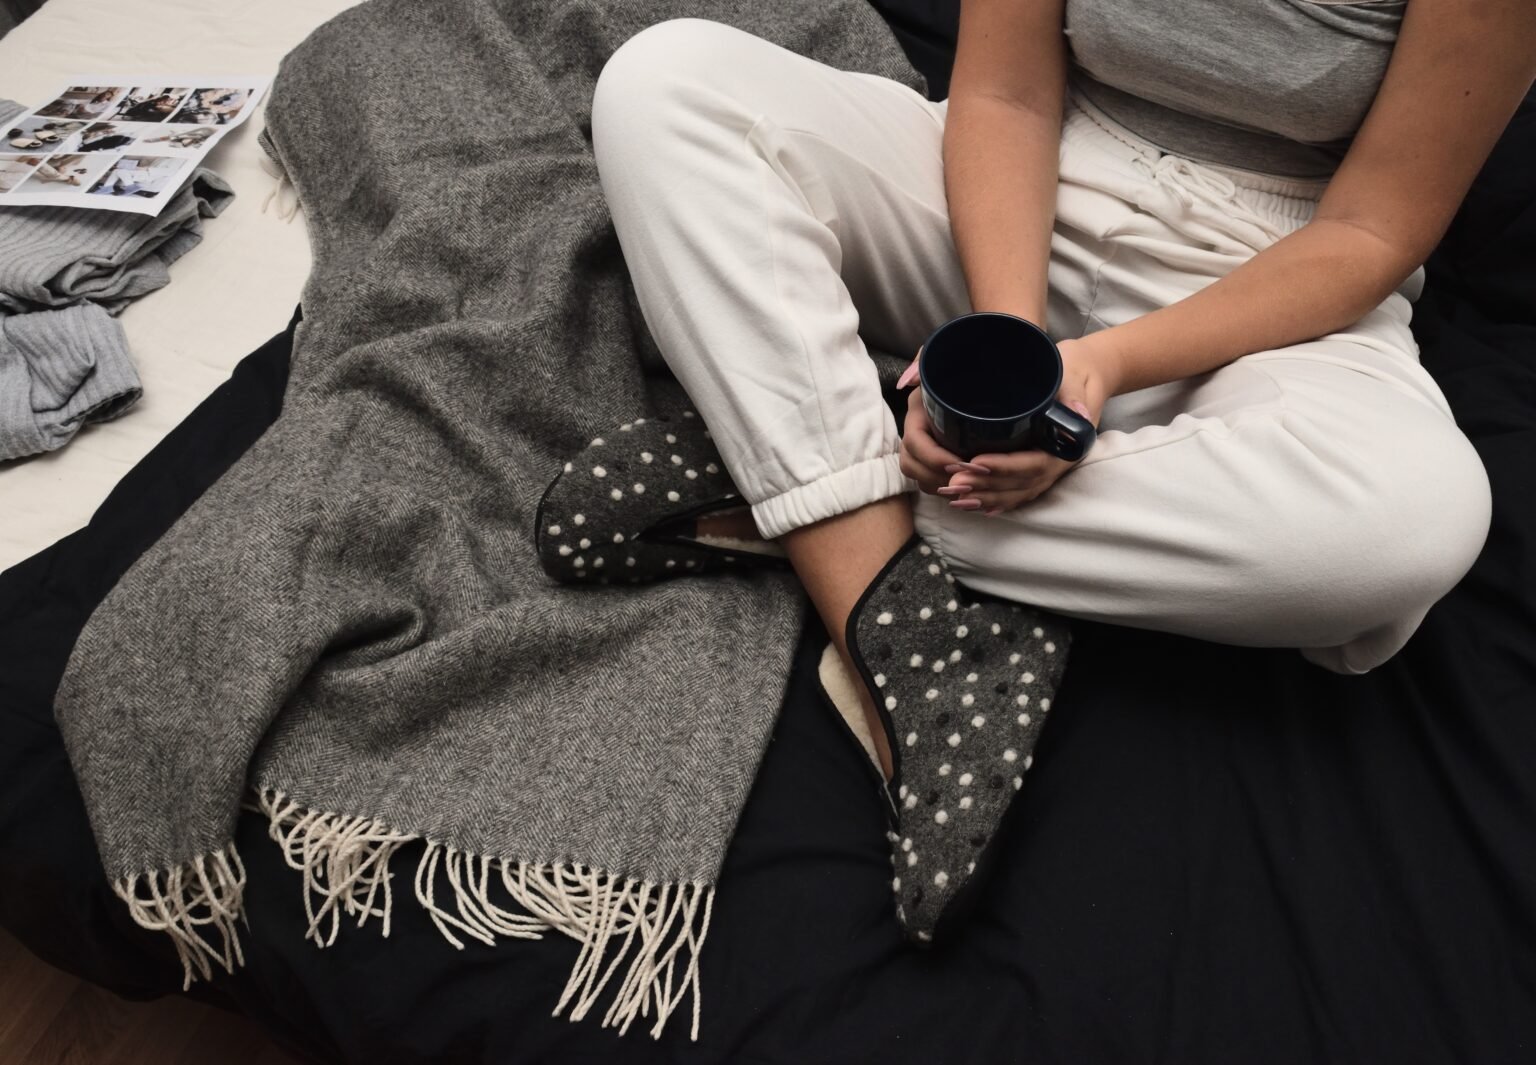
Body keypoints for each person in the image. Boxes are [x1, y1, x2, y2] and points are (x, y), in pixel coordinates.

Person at [576, 2, 1536, 938]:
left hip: (1268, 278)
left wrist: (1106, 366)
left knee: (1412, 522)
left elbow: (1370, 232)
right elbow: (1004, 95)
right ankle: (890, 586)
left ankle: (811, 483)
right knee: (666, 84)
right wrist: (1006, 350)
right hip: (1014, 204)